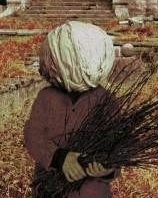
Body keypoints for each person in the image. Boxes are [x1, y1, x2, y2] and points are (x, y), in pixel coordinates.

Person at [24, 21, 119, 197]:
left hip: (92, 192)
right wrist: (59, 158)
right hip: (50, 191)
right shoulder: (46, 97)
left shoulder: (106, 100)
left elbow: (117, 144)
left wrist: (106, 168)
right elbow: (33, 135)